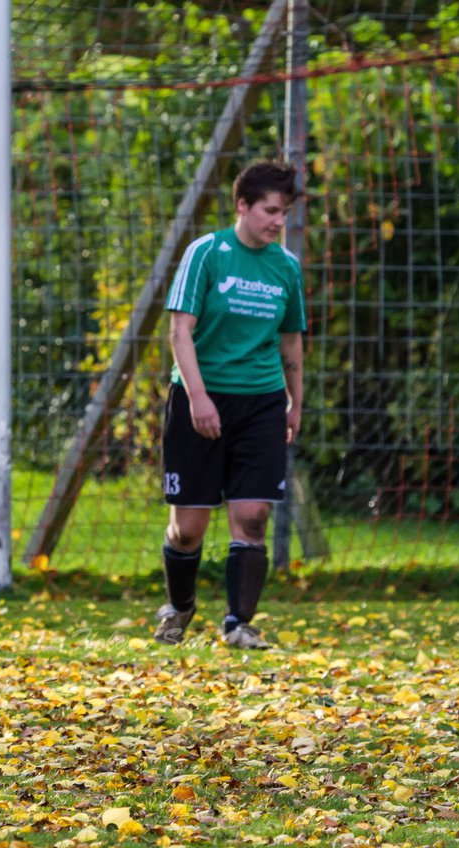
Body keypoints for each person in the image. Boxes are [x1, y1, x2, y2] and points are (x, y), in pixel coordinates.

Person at [154, 160, 306, 650]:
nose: (278, 221)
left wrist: (294, 403)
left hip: (261, 401)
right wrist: (198, 398)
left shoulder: (286, 268)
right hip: (201, 395)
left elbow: (291, 343)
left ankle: (239, 623)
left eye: (283, 213)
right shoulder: (207, 253)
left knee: (254, 516)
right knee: (188, 529)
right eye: (270, 211)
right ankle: (179, 608)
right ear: (243, 206)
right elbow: (180, 330)